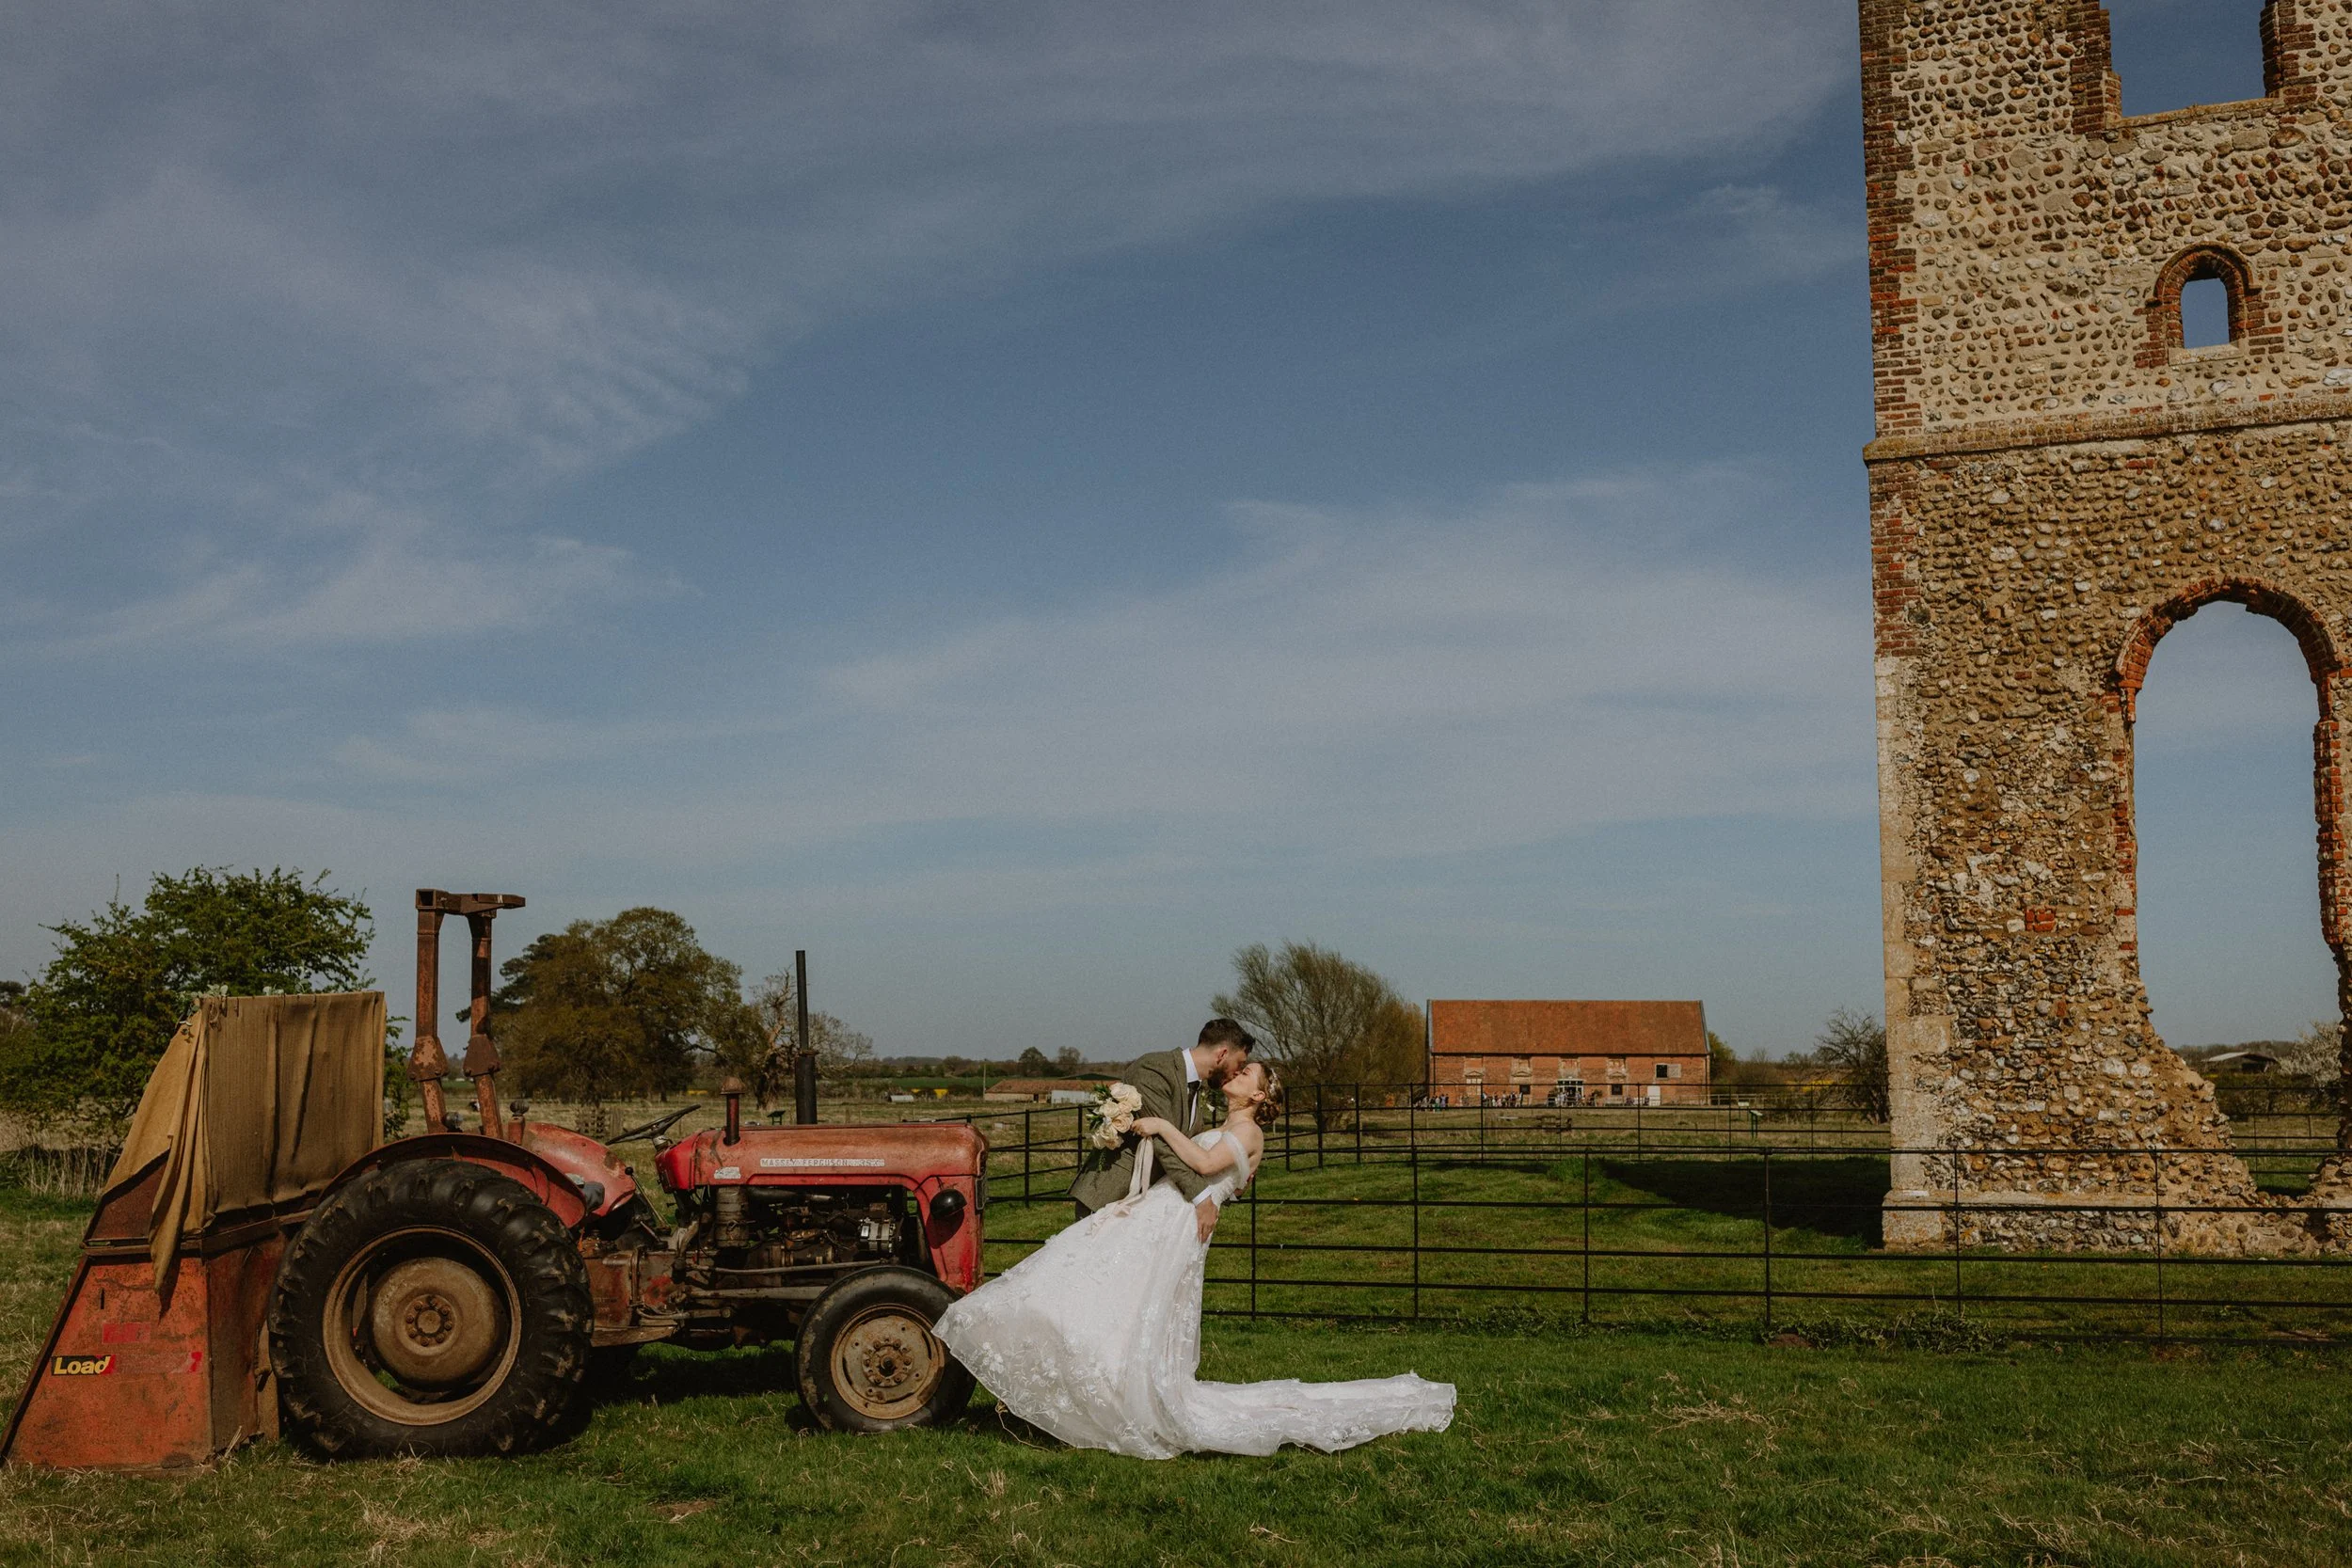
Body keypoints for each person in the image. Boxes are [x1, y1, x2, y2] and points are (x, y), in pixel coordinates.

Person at [932, 1055, 1455, 1458]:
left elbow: (1205, 1162)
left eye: (1247, 1071)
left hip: (1175, 1225)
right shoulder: (1221, 1118)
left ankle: (1098, 1395)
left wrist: (1159, 1127)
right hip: (1157, 1214)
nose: (1236, 1072)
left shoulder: (1248, 1132)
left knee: (1099, 1291)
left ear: (1258, 1093)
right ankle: (1075, 1386)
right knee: (1091, 1287)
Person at [1068, 1018, 1254, 1242]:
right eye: (1240, 1064)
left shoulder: (1196, 1086)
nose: (1237, 1072)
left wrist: (1231, 1181)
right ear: (1222, 1054)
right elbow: (1163, 1144)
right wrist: (1202, 1197)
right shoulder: (1154, 1070)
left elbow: (1186, 1148)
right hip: (1111, 1196)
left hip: (1145, 1205)